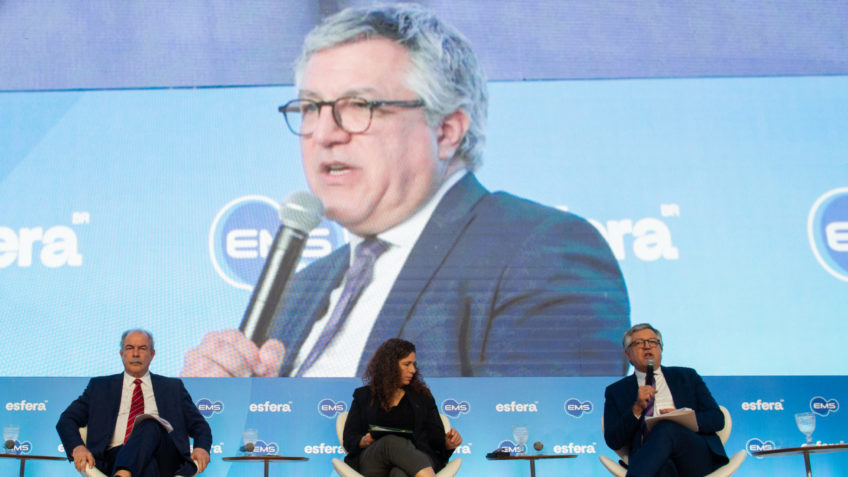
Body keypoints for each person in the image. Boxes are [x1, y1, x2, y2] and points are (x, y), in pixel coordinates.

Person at [181, 3, 629, 378]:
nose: (323, 132)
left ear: (447, 130)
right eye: (310, 107)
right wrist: (213, 416)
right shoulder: (300, 290)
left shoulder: (545, 253)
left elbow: (542, 451)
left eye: (359, 105)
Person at [57, 329, 211, 477]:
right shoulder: (100, 387)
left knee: (150, 422)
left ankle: (123, 474)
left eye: (142, 348)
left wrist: (201, 447)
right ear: (121, 354)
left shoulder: (173, 387)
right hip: (112, 457)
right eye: (130, 348)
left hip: (165, 456)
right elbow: (67, 420)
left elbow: (200, 426)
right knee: (148, 465)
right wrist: (77, 447)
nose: (136, 354)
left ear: (152, 354)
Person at [603, 323, 729, 477]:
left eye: (653, 342)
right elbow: (613, 440)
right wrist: (636, 409)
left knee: (666, 427)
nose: (647, 347)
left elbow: (716, 419)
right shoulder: (616, 391)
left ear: (661, 349)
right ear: (628, 354)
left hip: (694, 455)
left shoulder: (687, 377)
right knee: (663, 467)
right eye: (639, 343)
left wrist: (683, 416)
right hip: (649, 458)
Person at [343, 338, 461, 477]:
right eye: (407, 364)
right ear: (389, 366)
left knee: (399, 473)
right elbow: (349, 439)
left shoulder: (422, 397)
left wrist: (447, 444)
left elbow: (436, 441)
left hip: (416, 458)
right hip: (374, 461)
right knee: (390, 442)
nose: (412, 370)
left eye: (414, 364)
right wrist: (363, 441)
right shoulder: (363, 396)